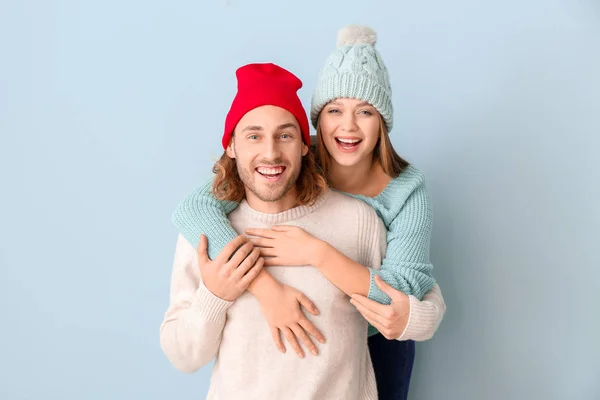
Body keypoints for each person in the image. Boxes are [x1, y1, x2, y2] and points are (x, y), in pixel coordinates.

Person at [171, 26, 447, 399]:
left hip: (378, 332)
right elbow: (196, 206)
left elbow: (413, 290)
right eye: (334, 110)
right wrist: (258, 288)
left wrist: (317, 253)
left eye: (364, 111)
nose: (347, 127)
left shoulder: (402, 194)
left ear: (382, 121)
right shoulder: (286, 161)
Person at [160, 62, 386, 399]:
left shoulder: (358, 221)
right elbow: (183, 356)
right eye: (254, 136)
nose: (270, 152)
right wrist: (216, 295)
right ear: (232, 147)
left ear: (305, 144)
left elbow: (392, 315)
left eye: (285, 135)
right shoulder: (206, 234)